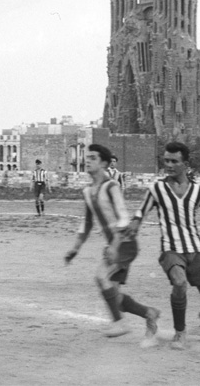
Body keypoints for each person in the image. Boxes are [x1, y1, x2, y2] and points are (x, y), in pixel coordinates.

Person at [129, 141, 200, 350]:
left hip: (196, 250)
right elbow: (141, 212)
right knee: (179, 283)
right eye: (166, 161)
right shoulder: (157, 189)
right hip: (171, 250)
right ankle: (180, 333)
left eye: (174, 161)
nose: (169, 165)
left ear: (186, 164)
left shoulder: (198, 192)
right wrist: (134, 225)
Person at [65, 144, 161, 346]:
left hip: (125, 243)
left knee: (101, 276)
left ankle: (120, 323)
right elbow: (87, 223)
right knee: (115, 298)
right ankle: (149, 313)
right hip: (115, 246)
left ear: (104, 163)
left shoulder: (111, 186)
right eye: (87, 157)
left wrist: (115, 246)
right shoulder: (88, 191)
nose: (87, 160)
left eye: (93, 157)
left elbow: (124, 218)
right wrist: (75, 248)